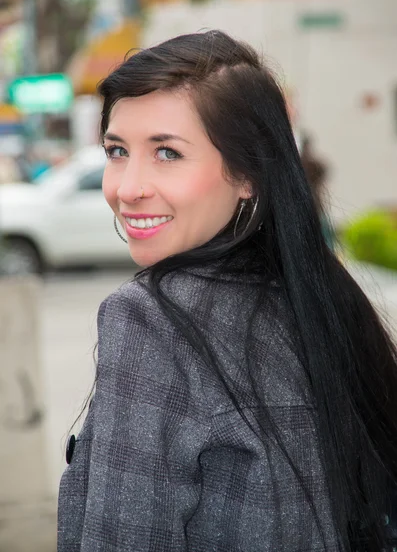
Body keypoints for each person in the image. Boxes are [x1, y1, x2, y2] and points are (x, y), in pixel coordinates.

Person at [57, 30, 397, 552]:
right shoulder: (322, 298)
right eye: (117, 151)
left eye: (167, 153)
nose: (127, 187)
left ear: (247, 176)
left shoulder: (152, 319)